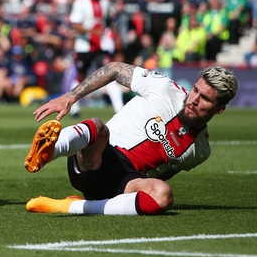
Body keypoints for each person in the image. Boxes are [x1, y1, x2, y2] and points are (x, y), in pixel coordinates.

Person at [23, 62, 237, 215]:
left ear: (219, 109)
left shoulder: (200, 151)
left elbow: (164, 174)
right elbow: (114, 69)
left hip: (124, 183)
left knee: (164, 195)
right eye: (195, 90)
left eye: (205, 98)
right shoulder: (163, 88)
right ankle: (50, 151)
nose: (194, 100)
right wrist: (70, 97)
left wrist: (145, 189)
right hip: (98, 157)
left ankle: (72, 207)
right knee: (98, 127)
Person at [68, 0, 123, 116]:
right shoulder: (80, 3)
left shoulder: (104, 2)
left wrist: (116, 34)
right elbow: (75, 24)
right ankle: (74, 107)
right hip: (84, 46)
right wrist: (92, 31)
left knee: (109, 73)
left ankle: (119, 109)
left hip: (101, 46)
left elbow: (108, 21)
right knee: (81, 76)